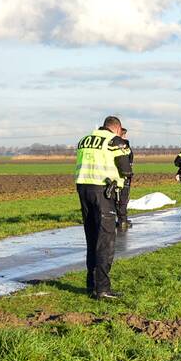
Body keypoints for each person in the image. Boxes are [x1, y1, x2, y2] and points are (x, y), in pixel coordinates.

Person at [74, 116, 132, 299]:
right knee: (106, 241)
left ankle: (91, 285)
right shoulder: (115, 141)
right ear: (117, 128)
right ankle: (103, 289)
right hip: (104, 192)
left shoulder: (84, 140)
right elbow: (126, 170)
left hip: (83, 189)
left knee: (91, 239)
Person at [115, 127, 135, 232]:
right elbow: (129, 158)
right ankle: (122, 221)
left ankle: (119, 219)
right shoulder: (124, 146)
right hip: (123, 176)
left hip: (112, 176)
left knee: (115, 199)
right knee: (123, 198)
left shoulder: (111, 143)